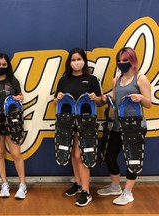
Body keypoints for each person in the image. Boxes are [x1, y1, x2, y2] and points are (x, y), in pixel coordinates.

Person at [97, 47, 151, 205]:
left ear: (132, 61)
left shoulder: (140, 78)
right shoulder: (116, 80)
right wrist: (107, 99)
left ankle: (128, 192)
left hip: (134, 125)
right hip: (117, 125)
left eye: (125, 60)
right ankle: (115, 186)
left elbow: (148, 103)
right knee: (109, 156)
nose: (122, 63)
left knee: (132, 160)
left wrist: (140, 97)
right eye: (119, 61)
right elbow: (116, 100)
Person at [54, 48, 104, 207]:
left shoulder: (92, 79)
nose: (76, 62)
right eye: (73, 60)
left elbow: (101, 101)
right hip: (67, 121)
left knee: (82, 156)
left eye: (79, 59)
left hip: (86, 122)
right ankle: (78, 183)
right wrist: (58, 98)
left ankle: (86, 191)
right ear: (69, 62)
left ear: (84, 60)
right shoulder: (64, 80)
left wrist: (96, 98)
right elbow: (56, 102)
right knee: (73, 155)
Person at [0, 53, 27, 199]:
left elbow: (21, 96)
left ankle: (22, 185)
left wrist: (20, 98)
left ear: (7, 66)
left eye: (4, 65)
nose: (1, 67)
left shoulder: (13, 81)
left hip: (12, 121)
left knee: (16, 154)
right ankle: (4, 184)